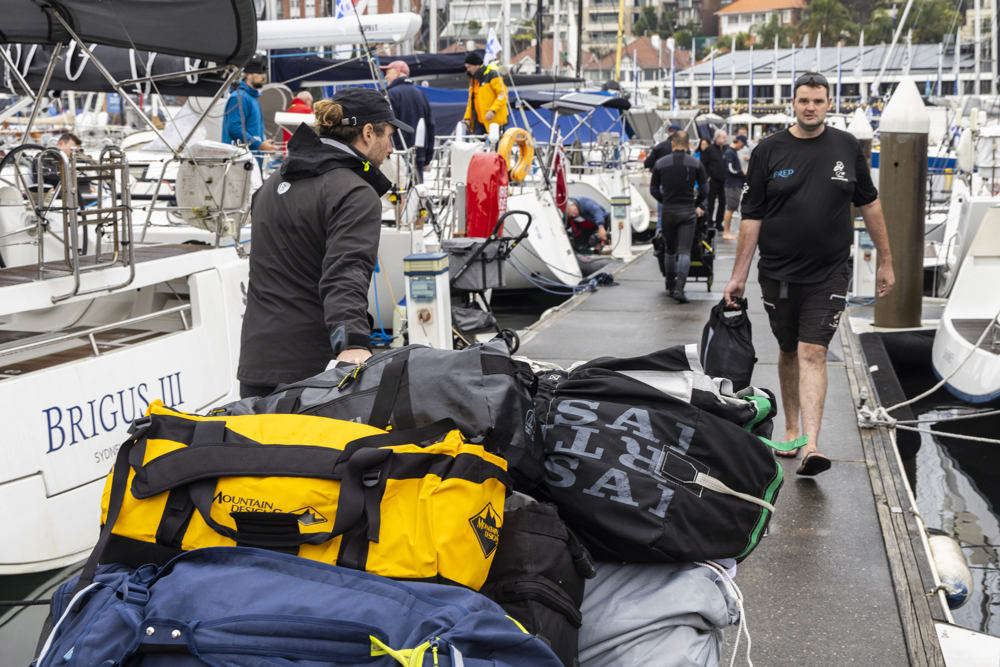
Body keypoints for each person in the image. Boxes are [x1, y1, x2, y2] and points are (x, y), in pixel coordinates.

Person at [722, 71, 895, 477]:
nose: (811, 107)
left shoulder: (846, 146)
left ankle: (812, 445)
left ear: (828, 103)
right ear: (793, 103)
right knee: (788, 349)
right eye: (804, 101)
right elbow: (752, 216)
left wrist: (886, 261)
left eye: (818, 101)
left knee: (813, 351)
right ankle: (792, 427)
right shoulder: (768, 151)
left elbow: (870, 204)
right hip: (778, 273)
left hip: (829, 272)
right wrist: (738, 276)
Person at [237, 87, 412, 398]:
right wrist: (353, 341)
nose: (390, 148)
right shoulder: (355, 192)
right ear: (368, 133)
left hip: (256, 365)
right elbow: (346, 271)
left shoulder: (272, 185)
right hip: (313, 373)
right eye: (389, 136)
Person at [649, 131, 707, 303]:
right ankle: (680, 289)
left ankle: (670, 284)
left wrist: (664, 200)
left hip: (669, 210)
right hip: (687, 211)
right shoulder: (695, 163)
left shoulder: (661, 163)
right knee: (684, 251)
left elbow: (653, 189)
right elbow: (705, 190)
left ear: (672, 144)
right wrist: (696, 203)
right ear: (688, 145)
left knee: (670, 249)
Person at [381, 59, 435, 177]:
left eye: (388, 73)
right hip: (419, 156)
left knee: (398, 186)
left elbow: (385, 125)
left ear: (397, 72)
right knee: (417, 187)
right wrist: (428, 157)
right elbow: (430, 126)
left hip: (397, 156)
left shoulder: (390, 95)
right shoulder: (421, 94)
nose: (385, 77)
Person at [222, 54, 278, 154]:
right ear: (248, 74)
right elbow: (234, 129)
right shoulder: (238, 98)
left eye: (264, 72)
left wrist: (264, 143)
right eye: (259, 72)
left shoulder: (252, 98)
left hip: (252, 158)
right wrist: (260, 145)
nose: (263, 76)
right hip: (239, 159)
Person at [463, 52, 508, 134]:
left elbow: (502, 94)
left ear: (476, 65)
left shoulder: (492, 75)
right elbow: (471, 102)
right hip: (478, 122)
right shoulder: (473, 80)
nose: (468, 70)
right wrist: (467, 118)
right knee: (474, 141)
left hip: (494, 121)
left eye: (469, 67)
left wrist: (493, 110)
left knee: (495, 141)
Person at [700, 129, 728, 232]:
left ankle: (719, 222)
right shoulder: (709, 149)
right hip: (713, 180)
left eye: (725, 137)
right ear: (717, 138)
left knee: (723, 202)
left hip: (724, 180)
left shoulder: (726, 149)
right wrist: (707, 176)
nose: (725, 139)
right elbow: (703, 163)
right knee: (711, 202)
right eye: (723, 137)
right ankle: (709, 221)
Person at [721, 133, 746, 240]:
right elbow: (730, 169)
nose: (742, 147)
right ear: (739, 141)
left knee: (731, 208)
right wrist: (742, 172)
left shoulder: (732, 152)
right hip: (732, 184)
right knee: (730, 208)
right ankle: (726, 232)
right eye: (743, 144)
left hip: (734, 184)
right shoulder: (730, 152)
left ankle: (727, 231)